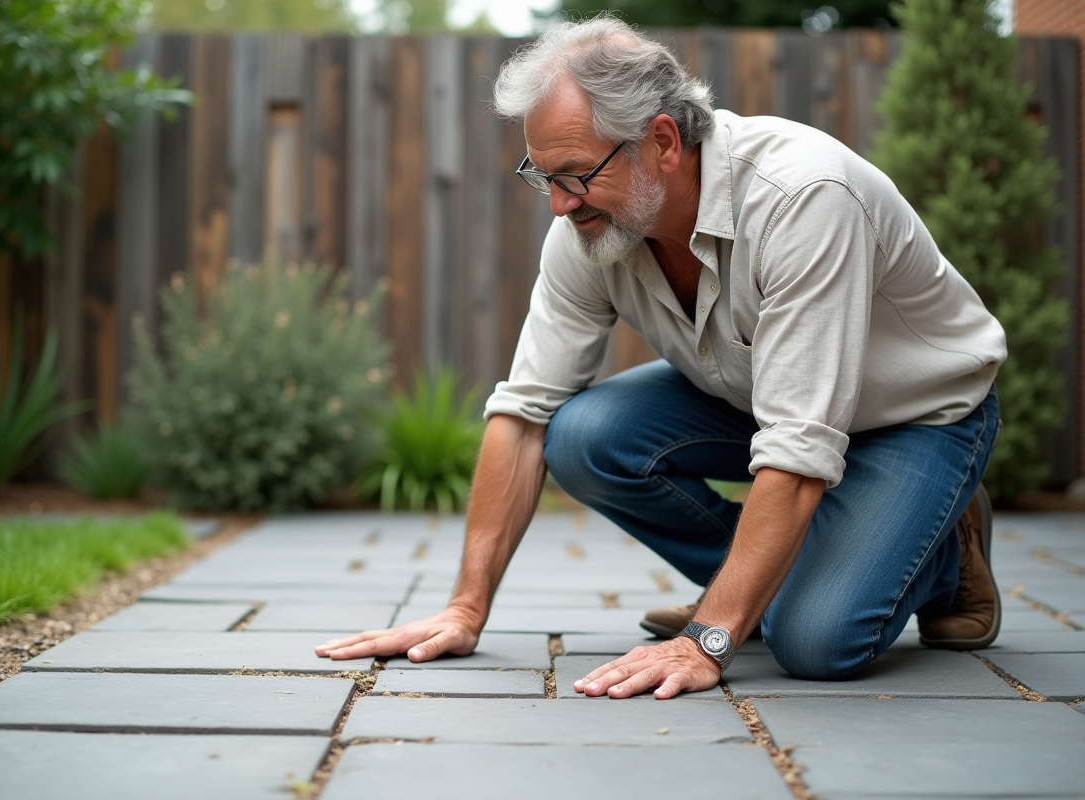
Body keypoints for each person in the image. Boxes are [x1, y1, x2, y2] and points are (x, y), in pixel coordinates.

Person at [315, 16, 1007, 699]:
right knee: (584, 436)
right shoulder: (591, 227)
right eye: (543, 175)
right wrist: (465, 608)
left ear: (664, 142)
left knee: (815, 643)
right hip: (763, 405)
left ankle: (944, 543)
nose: (558, 204)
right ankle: (773, 580)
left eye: (576, 175)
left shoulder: (803, 198)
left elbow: (799, 448)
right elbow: (525, 414)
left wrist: (709, 639)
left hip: (918, 417)